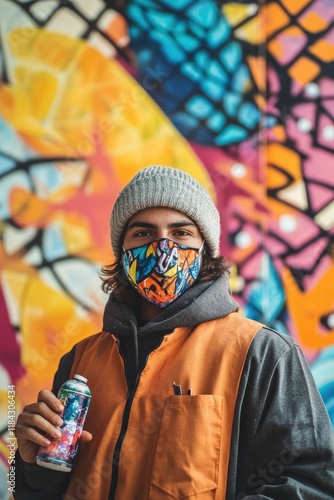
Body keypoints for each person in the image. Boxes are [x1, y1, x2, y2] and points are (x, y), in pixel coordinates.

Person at [14, 165, 334, 499]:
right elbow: (46, 489)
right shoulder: (81, 360)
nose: (162, 249)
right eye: (143, 233)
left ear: (205, 249)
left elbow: (312, 485)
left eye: (181, 233)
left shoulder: (262, 353)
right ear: (121, 252)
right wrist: (30, 466)